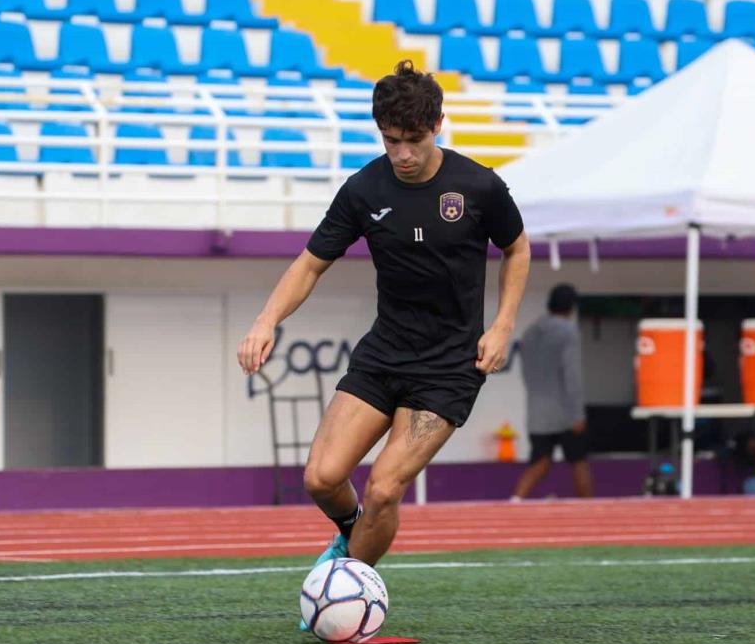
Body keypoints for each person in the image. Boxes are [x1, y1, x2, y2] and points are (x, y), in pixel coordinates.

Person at [237, 61, 531, 581]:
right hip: (383, 354)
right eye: (391, 140)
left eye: (413, 140)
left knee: (383, 488)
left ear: (437, 124)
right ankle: (354, 533)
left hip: (448, 368)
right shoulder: (363, 189)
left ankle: (344, 589)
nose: (402, 154)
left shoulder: (479, 187)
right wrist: (266, 321)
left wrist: (503, 324)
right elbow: (310, 264)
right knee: (322, 478)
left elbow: (517, 247)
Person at [511, 284, 591, 500]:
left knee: (540, 461)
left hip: (537, 410)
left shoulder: (531, 332)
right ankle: (589, 511)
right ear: (571, 307)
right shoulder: (568, 332)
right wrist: (577, 415)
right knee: (579, 461)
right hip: (565, 411)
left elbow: (526, 372)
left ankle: (515, 501)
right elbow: (572, 376)